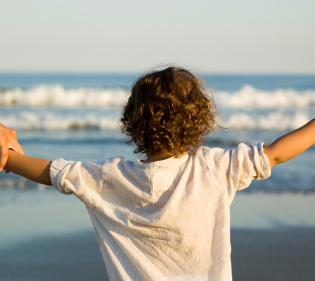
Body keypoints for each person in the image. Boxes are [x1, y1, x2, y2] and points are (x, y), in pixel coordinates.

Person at [0, 66, 314, 281]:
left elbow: (55, 172)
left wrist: (9, 158)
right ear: (199, 120)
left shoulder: (109, 178)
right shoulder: (215, 168)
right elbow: (275, 153)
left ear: (133, 124)